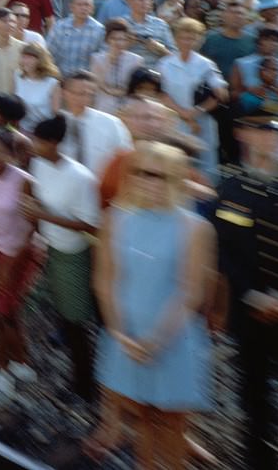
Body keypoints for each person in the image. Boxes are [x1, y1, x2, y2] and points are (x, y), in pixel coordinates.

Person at [91, 141, 215, 469]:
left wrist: (156, 341)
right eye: (141, 173)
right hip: (126, 334)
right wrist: (119, 333)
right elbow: (105, 280)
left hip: (172, 337)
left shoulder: (195, 227)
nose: (150, 181)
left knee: (172, 421)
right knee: (141, 417)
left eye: (160, 175)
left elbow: (190, 292)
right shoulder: (115, 218)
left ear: (177, 179)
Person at [213, 115, 278, 470]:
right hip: (251, 311)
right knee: (254, 394)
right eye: (262, 129)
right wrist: (250, 295)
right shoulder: (229, 185)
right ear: (242, 132)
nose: (271, 137)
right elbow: (225, 250)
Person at [25, 115, 101, 401]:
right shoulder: (39, 164)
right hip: (53, 249)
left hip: (74, 255)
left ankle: (85, 385)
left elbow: (91, 224)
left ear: (54, 143)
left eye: (38, 141)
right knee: (66, 318)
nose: (33, 145)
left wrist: (41, 215)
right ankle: (82, 379)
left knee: (75, 321)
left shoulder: (80, 177)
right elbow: (39, 197)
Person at [0, 128, 42, 398]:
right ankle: (21, 360)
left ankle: (0, 368)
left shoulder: (24, 181)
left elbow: (32, 228)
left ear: (13, 154)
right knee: (10, 311)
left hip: (22, 254)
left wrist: (9, 265)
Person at [157, 18, 229, 183]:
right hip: (174, 123)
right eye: (183, 37)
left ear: (200, 40)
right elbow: (161, 94)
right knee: (175, 165)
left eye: (193, 38)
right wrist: (184, 114)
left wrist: (197, 112)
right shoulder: (164, 64)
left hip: (202, 125)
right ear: (175, 39)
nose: (188, 42)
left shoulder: (207, 65)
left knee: (207, 168)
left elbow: (221, 94)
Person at [59, 70, 132, 178]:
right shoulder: (55, 124)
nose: (83, 99)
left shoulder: (111, 123)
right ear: (64, 93)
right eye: (78, 93)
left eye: (89, 94)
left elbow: (125, 158)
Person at [90, 19, 144, 113]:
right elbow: (98, 84)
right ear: (107, 40)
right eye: (113, 38)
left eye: (122, 39)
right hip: (104, 104)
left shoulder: (136, 60)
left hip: (128, 104)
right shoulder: (97, 58)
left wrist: (116, 92)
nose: (118, 42)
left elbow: (135, 87)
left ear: (127, 41)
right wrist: (110, 60)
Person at [45, 0, 104, 77]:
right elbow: (48, 54)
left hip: (86, 82)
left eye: (87, 5)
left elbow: (102, 61)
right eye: (80, 4)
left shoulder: (100, 30)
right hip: (60, 79)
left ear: (92, 9)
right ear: (71, 7)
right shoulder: (59, 27)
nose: (83, 8)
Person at [13, 42, 61, 133]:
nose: (25, 61)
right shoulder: (17, 75)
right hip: (22, 129)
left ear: (40, 60)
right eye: (23, 57)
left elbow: (56, 113)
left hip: (43, 132)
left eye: (30, 58)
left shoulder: (52, 83)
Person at [123, 0, 175, 65]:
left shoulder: (161, 24)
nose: (146, 2)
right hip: (128, 70)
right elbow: (107, 53)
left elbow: (175, 57)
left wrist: (160, 49)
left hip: (155, 72)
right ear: (129, 1)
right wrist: (127, 45)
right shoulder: (121, 24)